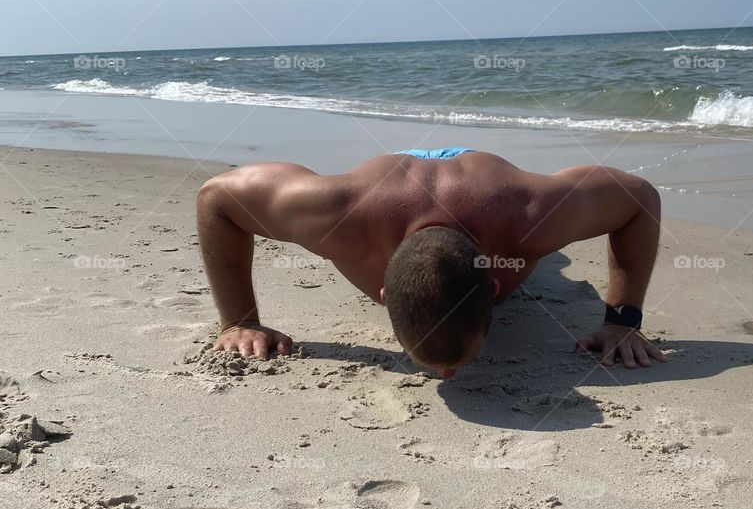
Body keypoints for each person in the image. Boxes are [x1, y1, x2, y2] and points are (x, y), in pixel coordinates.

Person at [196, 147, 665, 379]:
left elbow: (638, 198)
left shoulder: (533, 215)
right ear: (384, 294)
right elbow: (216, 198)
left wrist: (623, 321)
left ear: (495, 287)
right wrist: (238, 321)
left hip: (484, 187)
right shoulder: (335, 216)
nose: (446, 377)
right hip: (389, 187)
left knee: (550, 257)